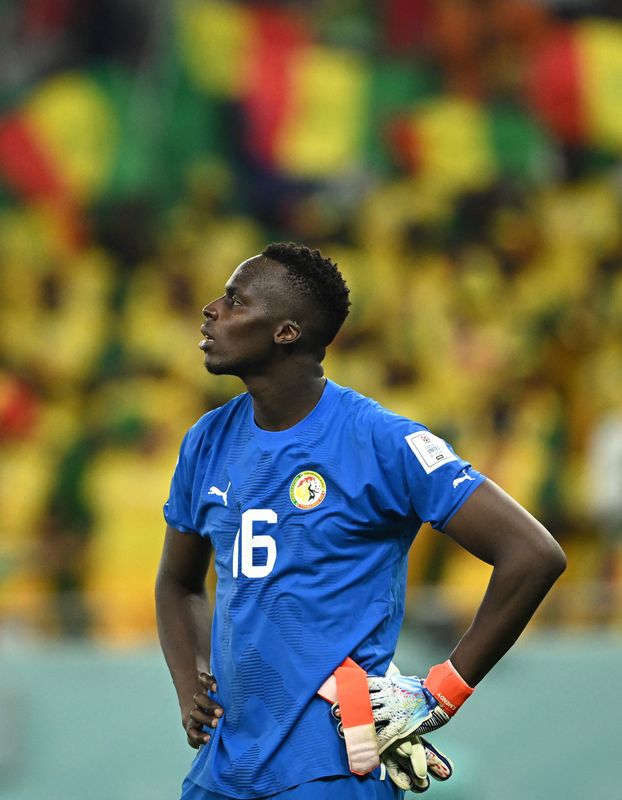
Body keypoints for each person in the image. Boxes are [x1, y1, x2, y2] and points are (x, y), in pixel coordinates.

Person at [156, 242, 566, 800]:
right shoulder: (205, 440)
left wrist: (441, 691)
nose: (211, 309)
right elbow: (178, 583)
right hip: (224, 767)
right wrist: (191, 683)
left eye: (235, 301)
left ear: (285, 333)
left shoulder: (379, 439)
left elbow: (533, 553)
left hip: (329, 767)